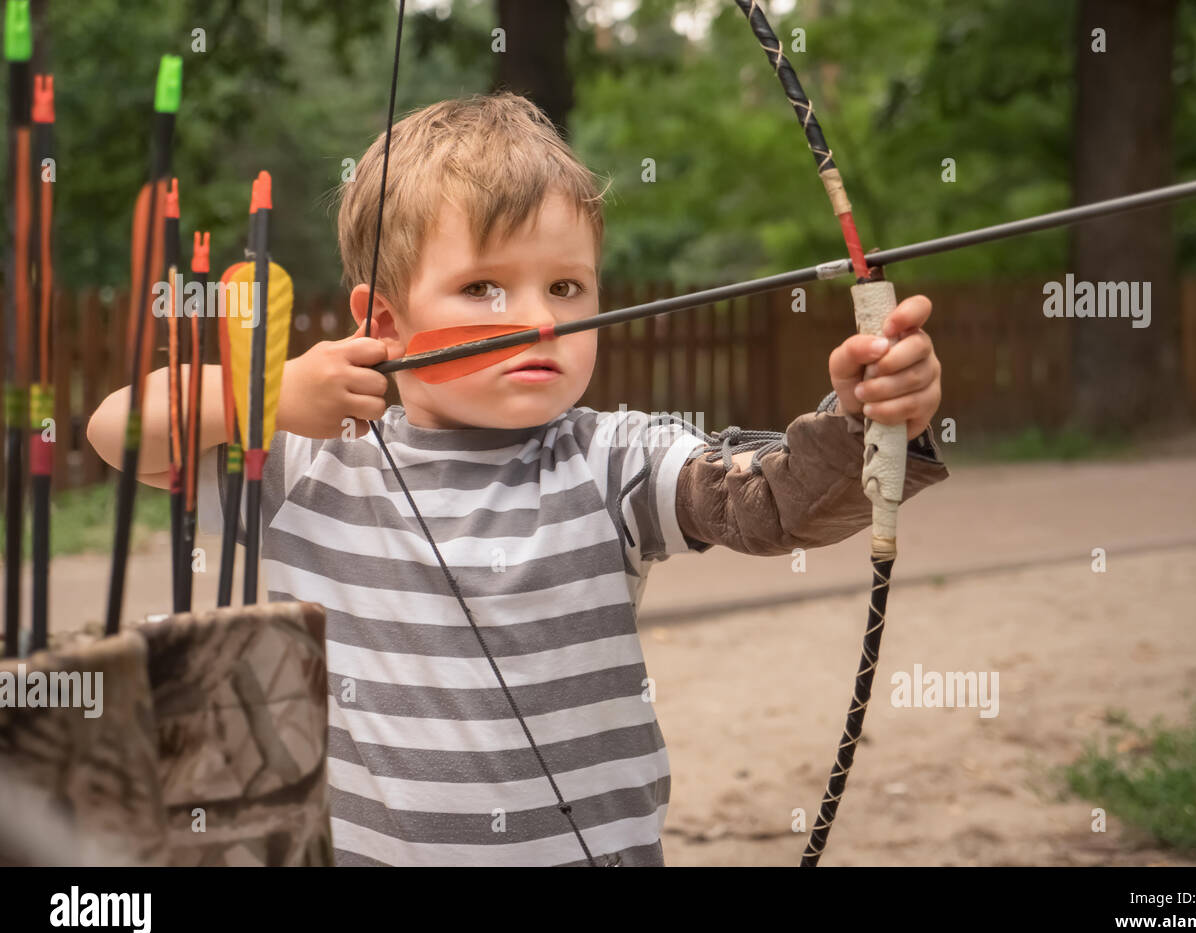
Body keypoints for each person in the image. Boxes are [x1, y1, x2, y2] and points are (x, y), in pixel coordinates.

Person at [88, 92, 947, 866]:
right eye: (485, 287)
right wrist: (264, 394)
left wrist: (870, 418)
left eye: (567, 286)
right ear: (382, 319)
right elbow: (118, 432)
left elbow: (771, 503)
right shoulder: (305, 464)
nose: (539, 319)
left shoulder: (613, 456)